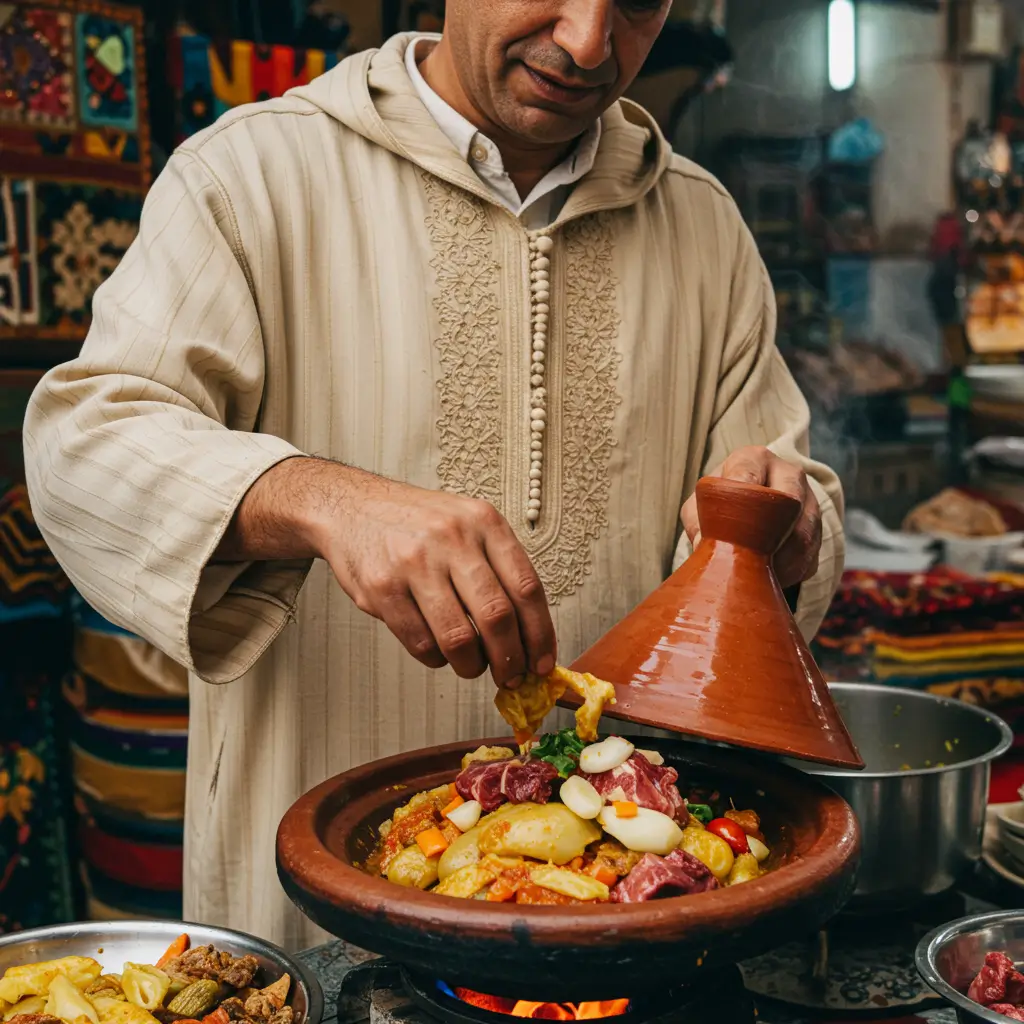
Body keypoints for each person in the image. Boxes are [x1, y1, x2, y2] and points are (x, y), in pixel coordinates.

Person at [24, 0, 845, 949]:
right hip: (315, 916)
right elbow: (80, 443)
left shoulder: (705, 228)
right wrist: (318, 499)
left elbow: (789, 505)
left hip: (622, 924)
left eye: (636, 4)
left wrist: (783, 531)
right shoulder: (251, 176)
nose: (588, 43)